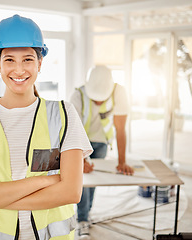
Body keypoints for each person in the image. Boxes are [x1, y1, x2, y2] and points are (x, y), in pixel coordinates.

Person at [0, 14, 92, 240]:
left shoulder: (64, 114)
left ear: (39, 63)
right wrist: (44, 180)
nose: (19, 70)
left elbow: (71, 192)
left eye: (27, 59)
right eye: (9, 60)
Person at [70, 65, 134, 239]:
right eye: (95, 99)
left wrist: (122, 161)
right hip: (81, 139)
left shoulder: (119, 92)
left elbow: (120, 129)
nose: (98, 102)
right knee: (82, 178)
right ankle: (82, 219)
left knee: (94, 179)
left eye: (102, 99)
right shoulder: (78, 95)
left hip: (102, 141)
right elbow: (72, 131)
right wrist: (81, 159)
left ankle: (87, 212)